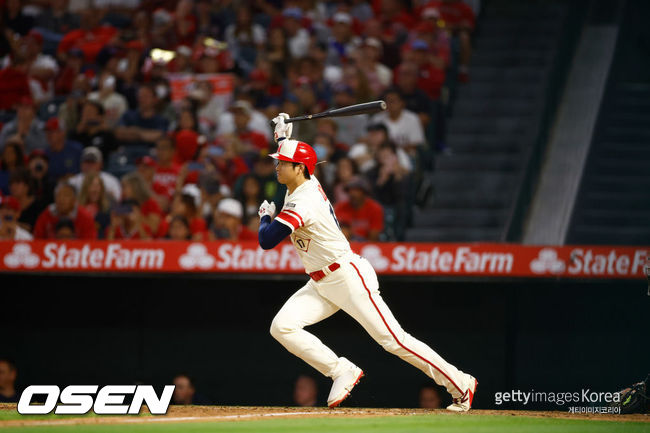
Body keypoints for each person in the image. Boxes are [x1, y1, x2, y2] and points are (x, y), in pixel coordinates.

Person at [256, 114, 477, 411]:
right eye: (277, 161)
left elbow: (267, 240)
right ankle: (340, 370)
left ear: (299, 168)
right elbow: (292, 179)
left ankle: (460, 383)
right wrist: (282, 138)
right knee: (282, 326)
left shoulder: (303, 201)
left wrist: (264, 218)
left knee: (394, 340)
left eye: (282, 162)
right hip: (321, 282)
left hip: (347, 277)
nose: (276, 166)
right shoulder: (302, 184)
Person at [334, 176, 384, 242]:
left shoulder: (375, 208)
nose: (352, 193)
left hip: (367, 246)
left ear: (364, 192)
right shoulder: (340, 208)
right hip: (345, 245)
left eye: (356, 190)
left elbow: (374, 237)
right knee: (344, 232)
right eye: (350, 190)